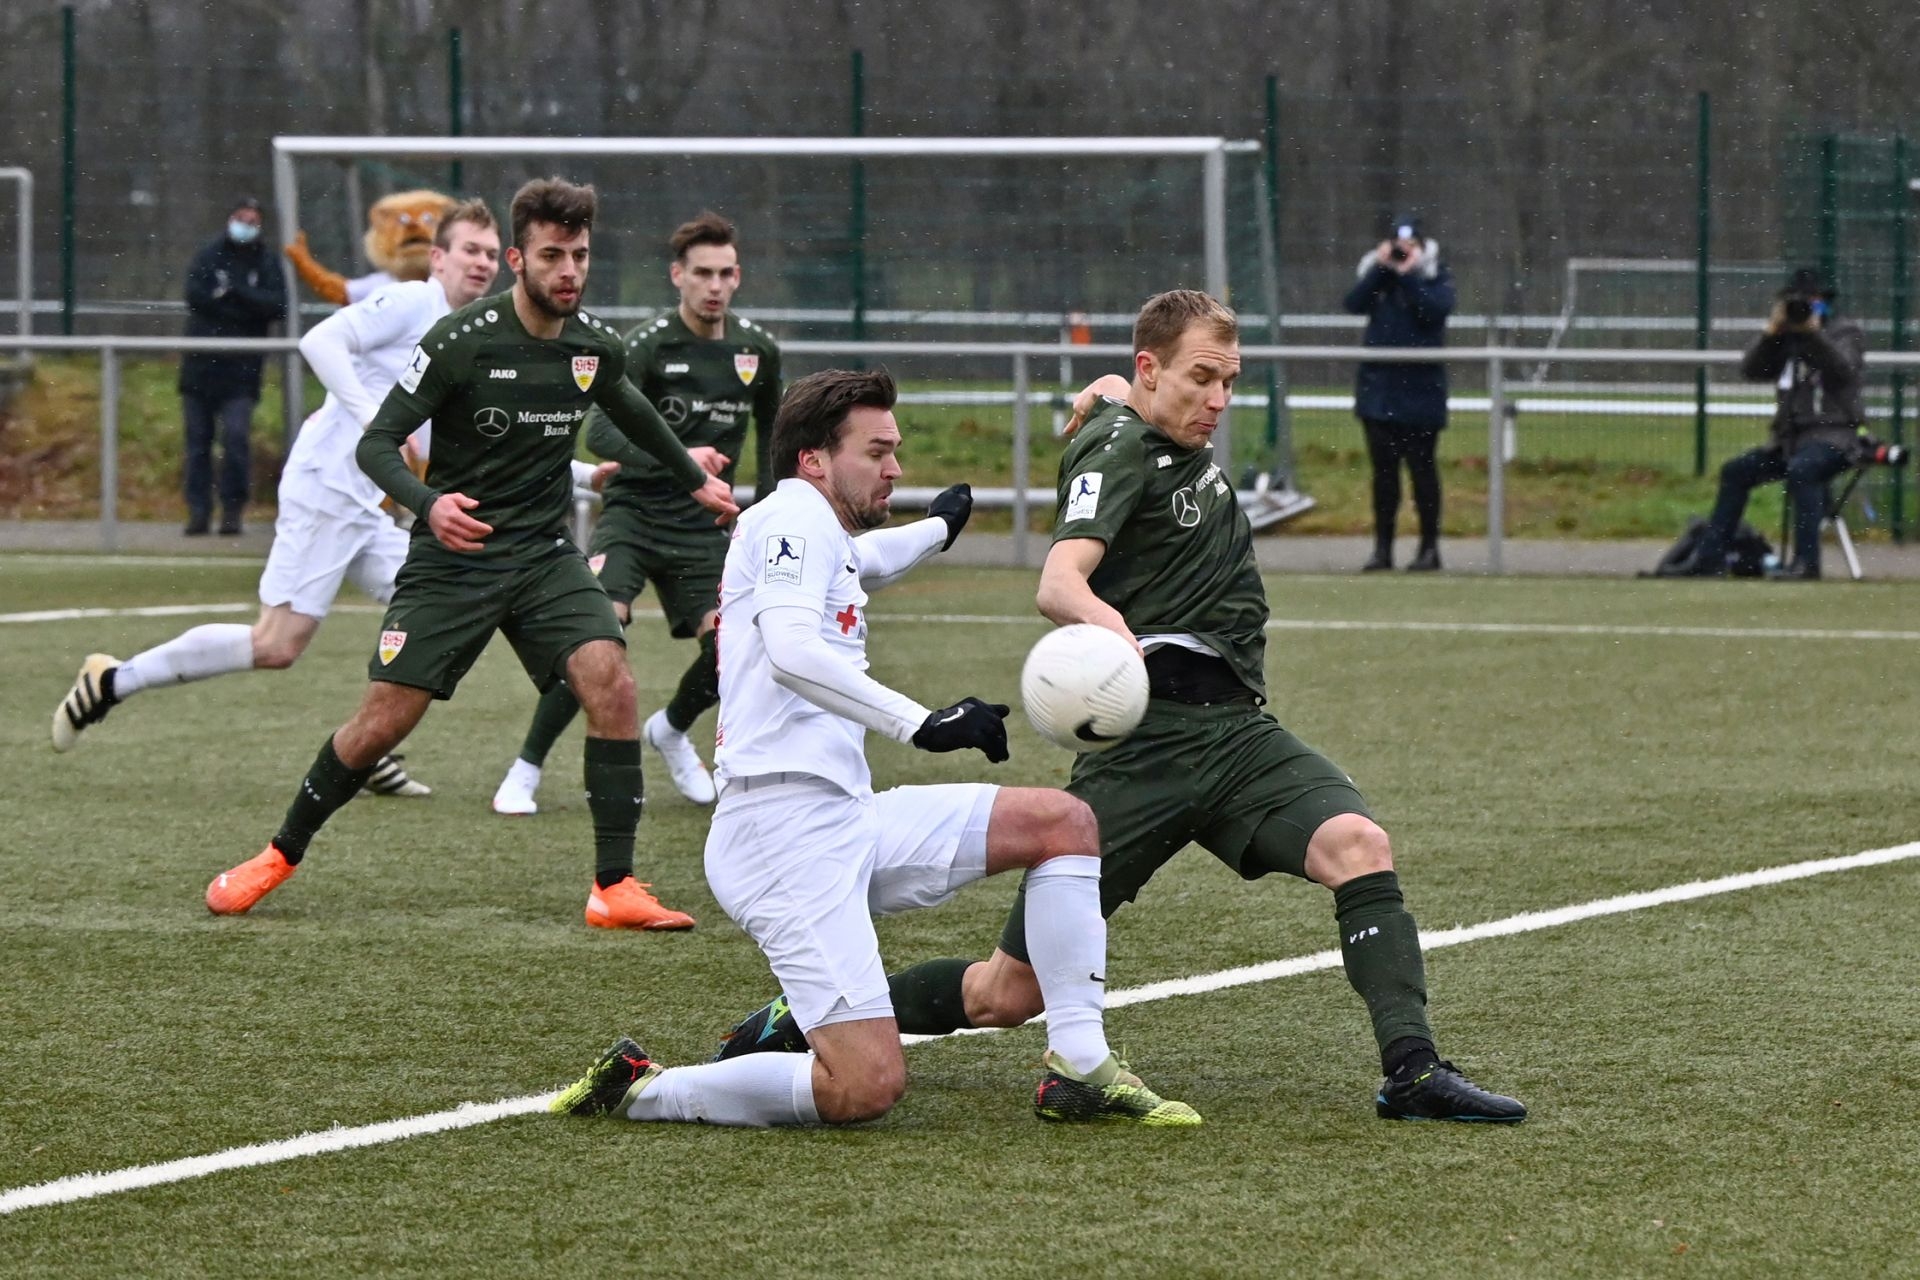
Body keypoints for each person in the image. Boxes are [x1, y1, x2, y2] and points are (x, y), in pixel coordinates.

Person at [709, 291, 1526, 1125]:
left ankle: (1413, 1071)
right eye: (1201, 379)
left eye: (1228, 382)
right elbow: (1058, 582)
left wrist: (1108, 391)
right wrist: (1112, 633)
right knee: (1004, 993)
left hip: (1239, 733)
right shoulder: (1121, 448)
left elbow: (1123, 403)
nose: (1217, 400)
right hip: (1145, 745)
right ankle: (811, 1017)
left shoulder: (1144, 421)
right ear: (1152, 369)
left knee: (1359, 845)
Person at [548, 367, 1199, 1129]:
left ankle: (1081, 1066)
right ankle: (643, 1087)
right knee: (865, 1088)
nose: (895, 467)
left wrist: (940, 530)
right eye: (877, 451)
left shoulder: (818, 531)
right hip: (779, 839)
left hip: (841, 816)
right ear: (814, 461)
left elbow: (869, 562)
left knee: (1063, 824)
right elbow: (791, 649)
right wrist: (919, 723)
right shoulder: (788, 521)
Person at [198, 177, 739, 929]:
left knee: (610, 681)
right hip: (453, 558)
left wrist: (693, 480)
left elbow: (636, 415)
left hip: (543, 554)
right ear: (519, 259)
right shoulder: (458, 342)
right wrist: (429, 505)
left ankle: (613, 886)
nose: (569, 272)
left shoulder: (592, 346)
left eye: (580, 255)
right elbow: (379, 444)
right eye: (552, 256)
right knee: (382, 723)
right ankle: (279, 852)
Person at [49, 203, 508, 808]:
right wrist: (376, 424)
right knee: (276, 644)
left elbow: (474, 434)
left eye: (492, 254)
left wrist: (579, 476)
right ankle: (111, 680)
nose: (482, 262)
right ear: (439, 257)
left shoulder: (463, 330)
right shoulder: (410, 303)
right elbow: (320, 340)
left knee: (436, 597)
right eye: (470, 249)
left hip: (363, 502)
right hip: (326, 488)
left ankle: (367, 746)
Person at [492, 210, 782, 816]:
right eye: (701, 273)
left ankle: (673, 729)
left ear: (738, 277)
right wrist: (681, 459)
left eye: (725, 273)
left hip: (703, 526)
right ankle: (526, 769)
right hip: (632, 516)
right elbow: (599, 431)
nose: (714, 285)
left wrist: (772, 517)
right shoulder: (646, 347)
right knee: (597, 633)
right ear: (677, 275)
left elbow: (776, 438)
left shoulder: (757, 349)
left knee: (734, 648)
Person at [1675, 268, 1866, 581]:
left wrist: (1813, 335)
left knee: (1804, 470)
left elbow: (1841, 370)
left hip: (1837, 436)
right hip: (1790, 440)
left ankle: (1807, 563)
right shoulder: (1784, 338)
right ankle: (1710, 558)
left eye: (1811, 302)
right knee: (1736, 472)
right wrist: (1771, 334)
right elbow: (1752, 370)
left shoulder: (1846, 332)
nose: (1803, 309)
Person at [1343, 213, 1453, 572]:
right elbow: (1353, 303)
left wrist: (1409, 277)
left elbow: (1433, 312)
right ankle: (1382, 550)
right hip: (1380, 393)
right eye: (1399, 245)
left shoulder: (1437, 278)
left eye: (1412, 246)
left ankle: (1429, 549)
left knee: (1423, 472)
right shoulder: (1377, 279)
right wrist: (1382, 268)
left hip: (1421, 394)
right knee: (1384, 476)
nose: (1404, 252)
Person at [178, 196, 288, 536]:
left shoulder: (267, 262)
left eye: (252, 220)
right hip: (199, 367)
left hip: (241, 370)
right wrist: (240, 307)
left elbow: (274, 305)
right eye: (240, 217)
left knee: (236, 438)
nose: (245, 225)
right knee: (198, 442)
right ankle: (198, 510)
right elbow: (197, 295)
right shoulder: (210, 254)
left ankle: (232, 509)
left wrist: (234, 294)